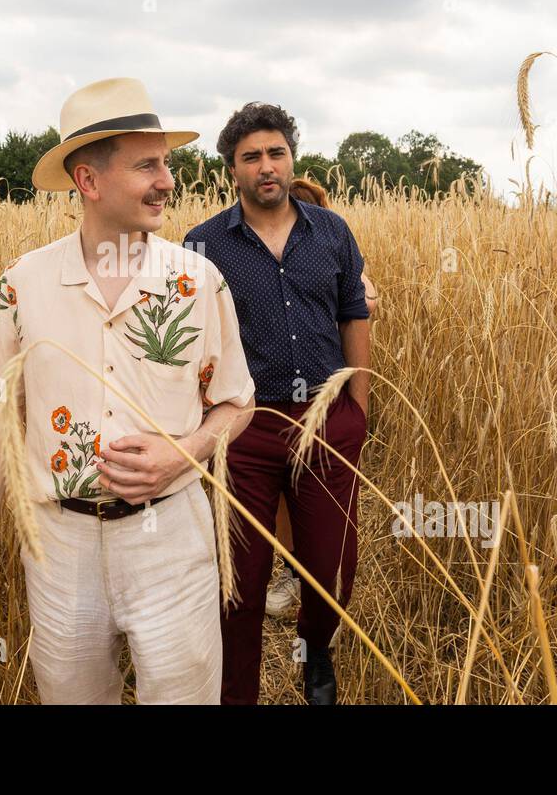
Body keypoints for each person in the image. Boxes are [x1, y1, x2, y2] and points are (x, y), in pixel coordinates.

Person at [0, 77, 255, 704]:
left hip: (171, 536)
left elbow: (237, 402)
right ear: (88, 182)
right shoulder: (23, 283)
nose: (168, 180)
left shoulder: (199, 281)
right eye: (147, 165)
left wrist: (184, 452)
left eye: (166, 163)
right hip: (58, 548)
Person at [184, 103, 371, 705]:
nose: (266, 166)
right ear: (231, 171)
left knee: (332, 570)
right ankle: (237, 694)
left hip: (327, 421)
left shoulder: (332, 232)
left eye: (276, 153)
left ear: (292, 157)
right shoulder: (202, 245)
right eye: (251, 157)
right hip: (245, 429)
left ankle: (317, 647)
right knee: (239, 584)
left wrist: (357, 409)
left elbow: (353, 315)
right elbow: (191, 343)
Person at [264, 177, 378, 620]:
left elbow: (366, 300)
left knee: (319, 502)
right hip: (269, 400)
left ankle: (311, 582)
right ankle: (295, 570)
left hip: (326, 396)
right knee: (280, 499)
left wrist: (357, 410)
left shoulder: (332, 241)